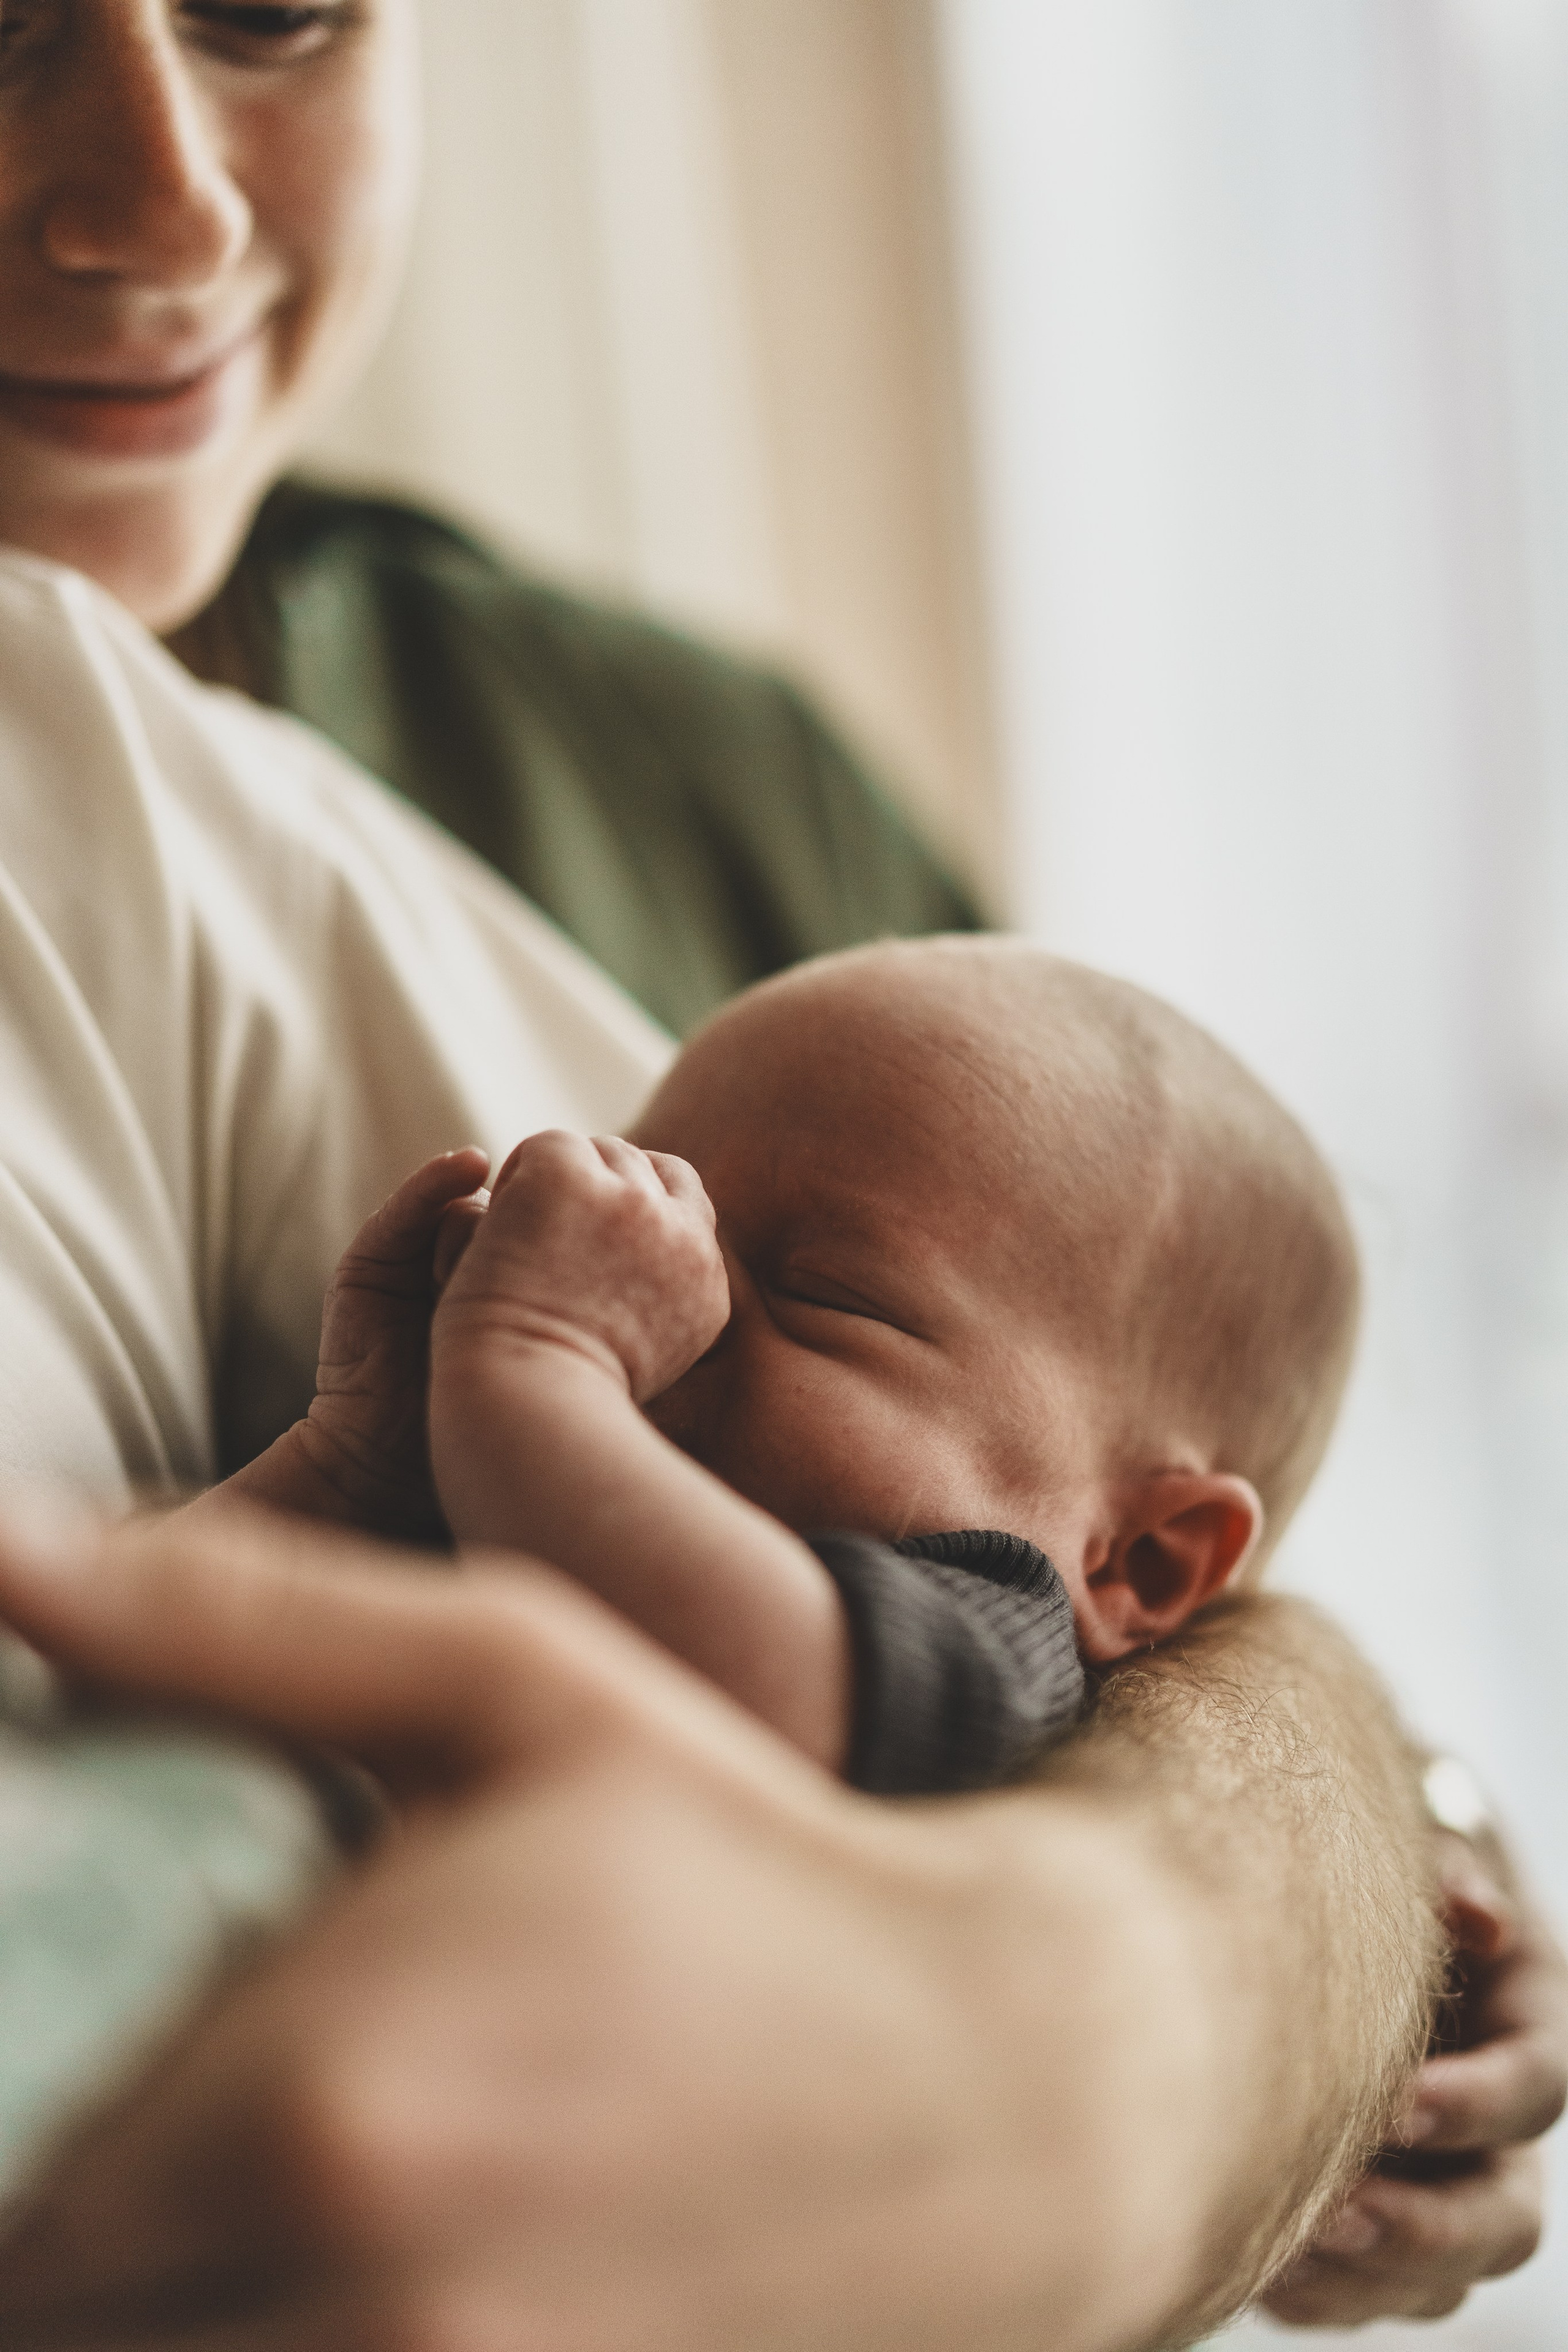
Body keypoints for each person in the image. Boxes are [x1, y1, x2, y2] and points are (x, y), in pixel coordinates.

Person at [0, 0, 1556, 2335]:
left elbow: (1135, 1505)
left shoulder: (699, 774)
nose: (167, 204)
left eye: (270, 11)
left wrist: (1341, 1914)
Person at [223, 940, 1359, 1807]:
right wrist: (350, 1461)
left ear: (1138, 1561)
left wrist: (535, 1358)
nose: (675, 1295)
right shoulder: (514, 1472)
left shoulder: (1004, 1639)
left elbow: (771, 1701)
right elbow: (137, 1637)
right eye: (666, 1214)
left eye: (826, 1293)